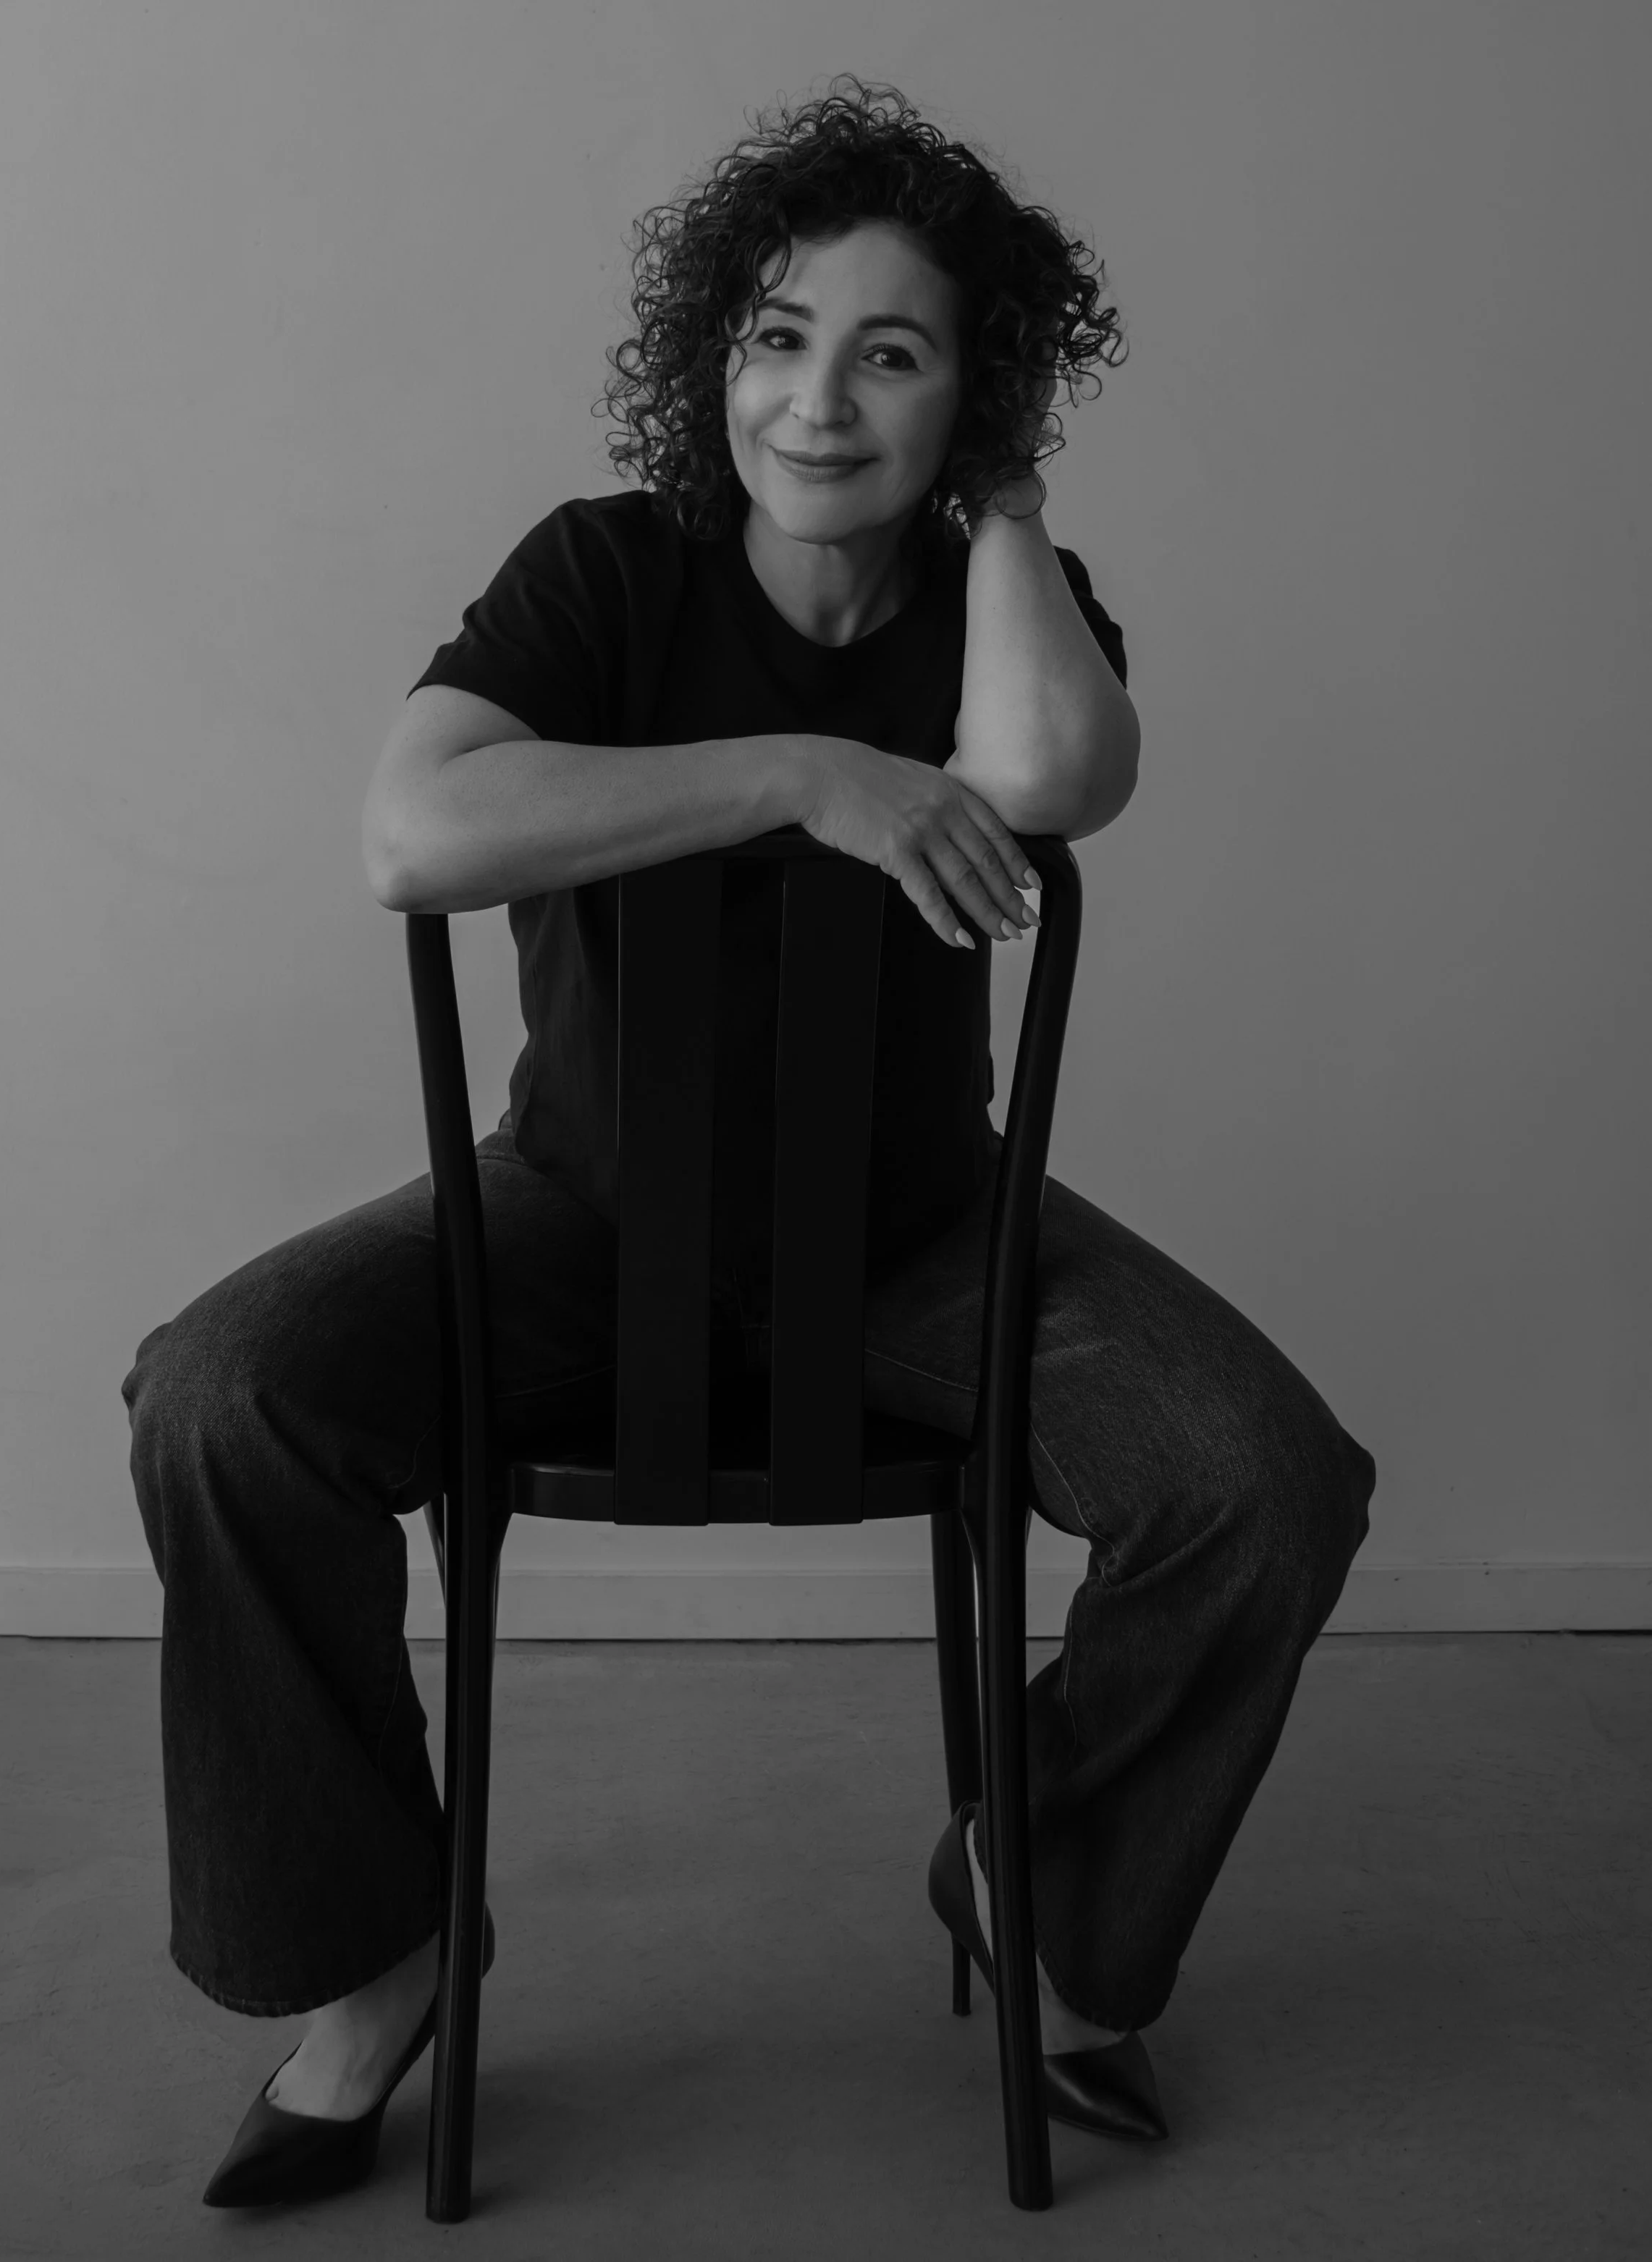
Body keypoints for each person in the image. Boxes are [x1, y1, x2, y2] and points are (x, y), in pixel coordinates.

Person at [124, 80, 1375, 2209]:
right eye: (778, 336)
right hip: (572, 1220)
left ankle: (1033, 1878)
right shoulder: (607, 570)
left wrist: (996, 511)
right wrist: (804, 772)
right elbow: (411, 829)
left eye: (893, 352)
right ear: (714, 353)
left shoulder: (1007, 591)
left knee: (1265, 1479)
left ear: (972, 393)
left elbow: (1057, 776)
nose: (815, 401)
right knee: (218, 1393)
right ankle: (383, 1938)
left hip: (916, 1242)